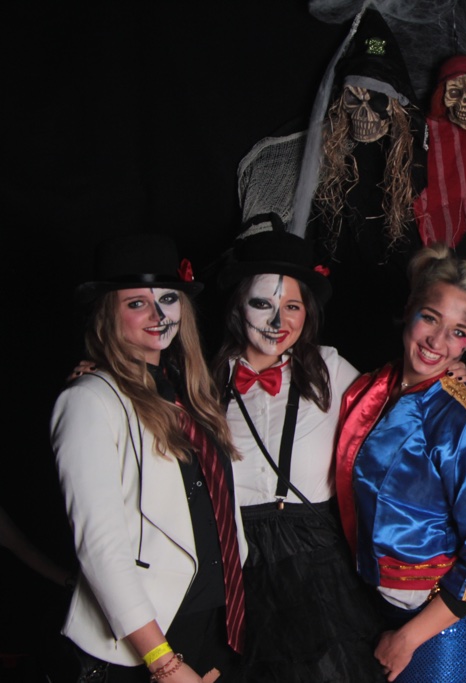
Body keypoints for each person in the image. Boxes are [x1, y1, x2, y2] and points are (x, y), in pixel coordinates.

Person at [51, 233, 247, 683]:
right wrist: (163, 661)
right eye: (137, 303)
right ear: (108, 313)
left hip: (213, 620)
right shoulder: (88, 400)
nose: (159, 316)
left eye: (168, 299)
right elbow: (100, 546)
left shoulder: (190, 392)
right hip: (144, 639)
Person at [212, 226, 386, 682]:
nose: (278, 321)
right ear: (238, 306)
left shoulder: (329, 368)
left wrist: (452, 372)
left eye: (292, 306)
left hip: (315, 558)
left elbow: (402, 405)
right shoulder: (204, 380)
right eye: (262, 303)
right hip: (235, 556)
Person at [334, 243, 466, 683]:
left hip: (442, 626)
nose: (437, 342)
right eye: (431, 318)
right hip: (372, 607)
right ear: (409, 309)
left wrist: (409, 637)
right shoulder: (369, 389)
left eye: (459, 331)